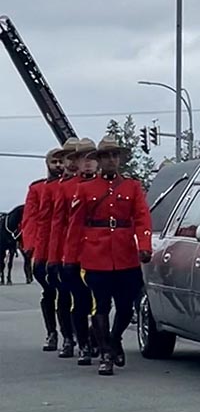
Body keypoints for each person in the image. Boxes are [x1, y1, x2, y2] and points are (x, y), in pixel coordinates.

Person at [64, 136, 153, 376]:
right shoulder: (85, 189)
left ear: (120, 159)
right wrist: (69, 259)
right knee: (101, 305)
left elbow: (142, 218)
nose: (112, 160)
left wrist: (145, 245)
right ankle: (105, 354)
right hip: (96, 254)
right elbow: (75, 225)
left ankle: (114, 339)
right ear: (99, 160)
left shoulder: (132, 187)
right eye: (107, 156)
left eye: (115, 155)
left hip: (125, 254)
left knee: (126, 306)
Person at [50, 138, 99, 366]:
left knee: (101, 301)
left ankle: (98, 338)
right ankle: (81, 343)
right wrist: (55, 258)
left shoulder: (108, 185)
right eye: (82, 159)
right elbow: (58, 224)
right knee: (77, 301)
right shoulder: (66, 188)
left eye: (92, 158)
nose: (87, 163)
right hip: (74, 253)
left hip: (101, 253)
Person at [35, 137, 79, 358]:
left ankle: (84, 336)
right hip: (55, 250)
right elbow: (41, 223)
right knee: (58, 294)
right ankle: (60, 335)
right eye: (57, 161)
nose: (62, 166)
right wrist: (37, 253)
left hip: (81, 248)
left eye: (67, 160)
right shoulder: (45, 189)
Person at [21, 147, 63, 352]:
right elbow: (30, 219)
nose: (58, 166)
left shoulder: (75, 186)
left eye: (61, 161)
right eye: (54, 162)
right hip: (43, 251)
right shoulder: (37, 189)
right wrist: (31, 247)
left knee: (70, 294)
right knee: (49, 292)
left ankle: (72, 334)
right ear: (47, 164)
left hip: (67, 248)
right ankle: (52, 332)